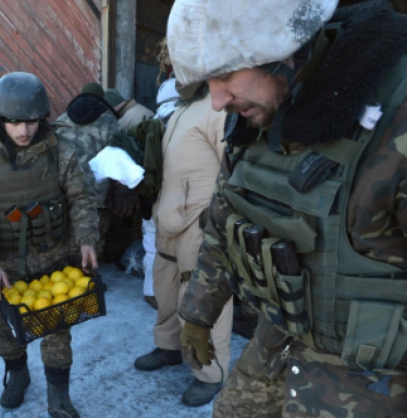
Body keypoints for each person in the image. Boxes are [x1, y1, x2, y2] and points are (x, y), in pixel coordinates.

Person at [169, 0, 407, 416]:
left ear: (282, 50)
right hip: (278, 341)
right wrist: (197, 312)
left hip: (373, 380)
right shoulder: (262, 116)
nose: (217, 101)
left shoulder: (395, 116)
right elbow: (225, 221)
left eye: (225, 75)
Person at [0, 72, 99, 418]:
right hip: (6, 263)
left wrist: (87, 238)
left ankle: (58, 395)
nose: (24, 131)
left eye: (31, 121)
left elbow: (81, 197)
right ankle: (17, 375)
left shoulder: (60, 149)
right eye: (15, 122)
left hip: (56, 258)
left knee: (57, 330)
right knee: (4, 327)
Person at [134, 80, 232, 406]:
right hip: (168, 220)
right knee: (165, 289)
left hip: (200, 223)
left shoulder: (219, 109)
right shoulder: (179, 110)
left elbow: (234, 170)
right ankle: (168, 347)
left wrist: (218, 218)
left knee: (203, 298)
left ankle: (209, 373)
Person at [55, 82, 121, 260]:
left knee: (65, 241)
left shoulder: (61, 120)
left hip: (65, 194)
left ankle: (66, 279)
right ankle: (88, 278)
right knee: (92, 243)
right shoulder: (109, 122)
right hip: (97, 195)